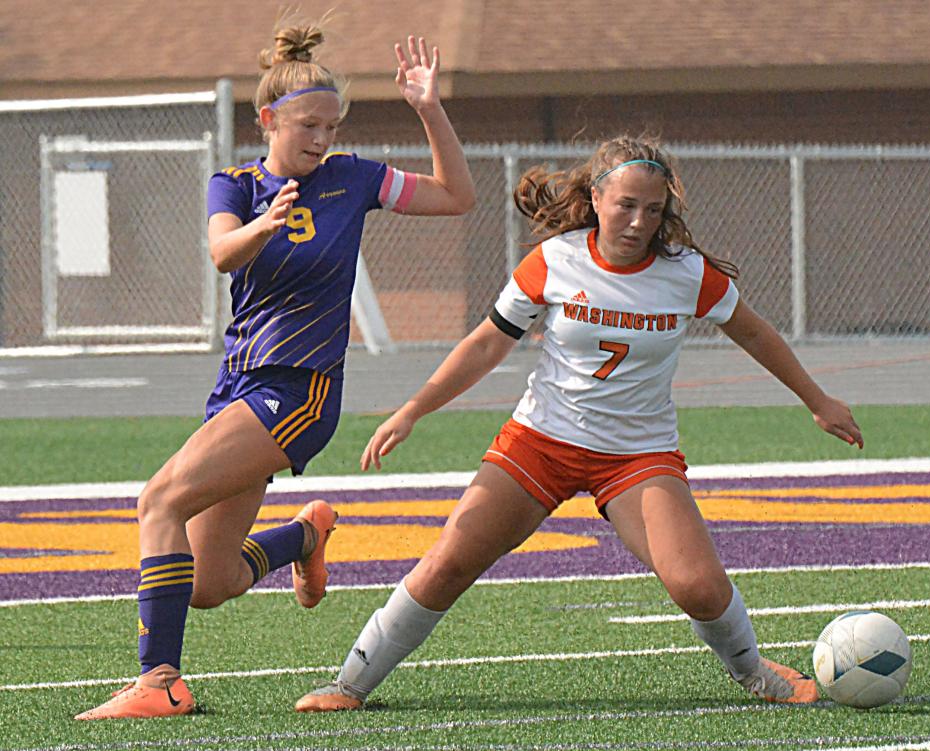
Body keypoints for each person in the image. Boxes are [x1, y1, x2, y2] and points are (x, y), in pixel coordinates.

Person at [294, 135, 864, 712]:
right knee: (449, 561)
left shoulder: (687, 273)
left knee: (698, 586)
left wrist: (816, 399)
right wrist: (414, 408)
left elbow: (754, 331)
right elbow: (487, 343)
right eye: (626, 205)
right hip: (540, 442)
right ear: (596, 198)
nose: (639, 221)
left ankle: (754, 673)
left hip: (638, 455)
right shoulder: (555, 260)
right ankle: (350, 684)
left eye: (653, 209)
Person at [75, 19, 476, 720]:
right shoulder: (232, 185)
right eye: (308, 125)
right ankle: (304, 536)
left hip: (300, 389)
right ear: (269, 119)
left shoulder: (354, 179)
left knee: (158, 500)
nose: (322, 139)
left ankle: (160, 681)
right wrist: (264, 223)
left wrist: (429, 109)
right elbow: (223, 252)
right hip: (239, 385)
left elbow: (455, 195)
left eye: (331, 125)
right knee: (207, 579)